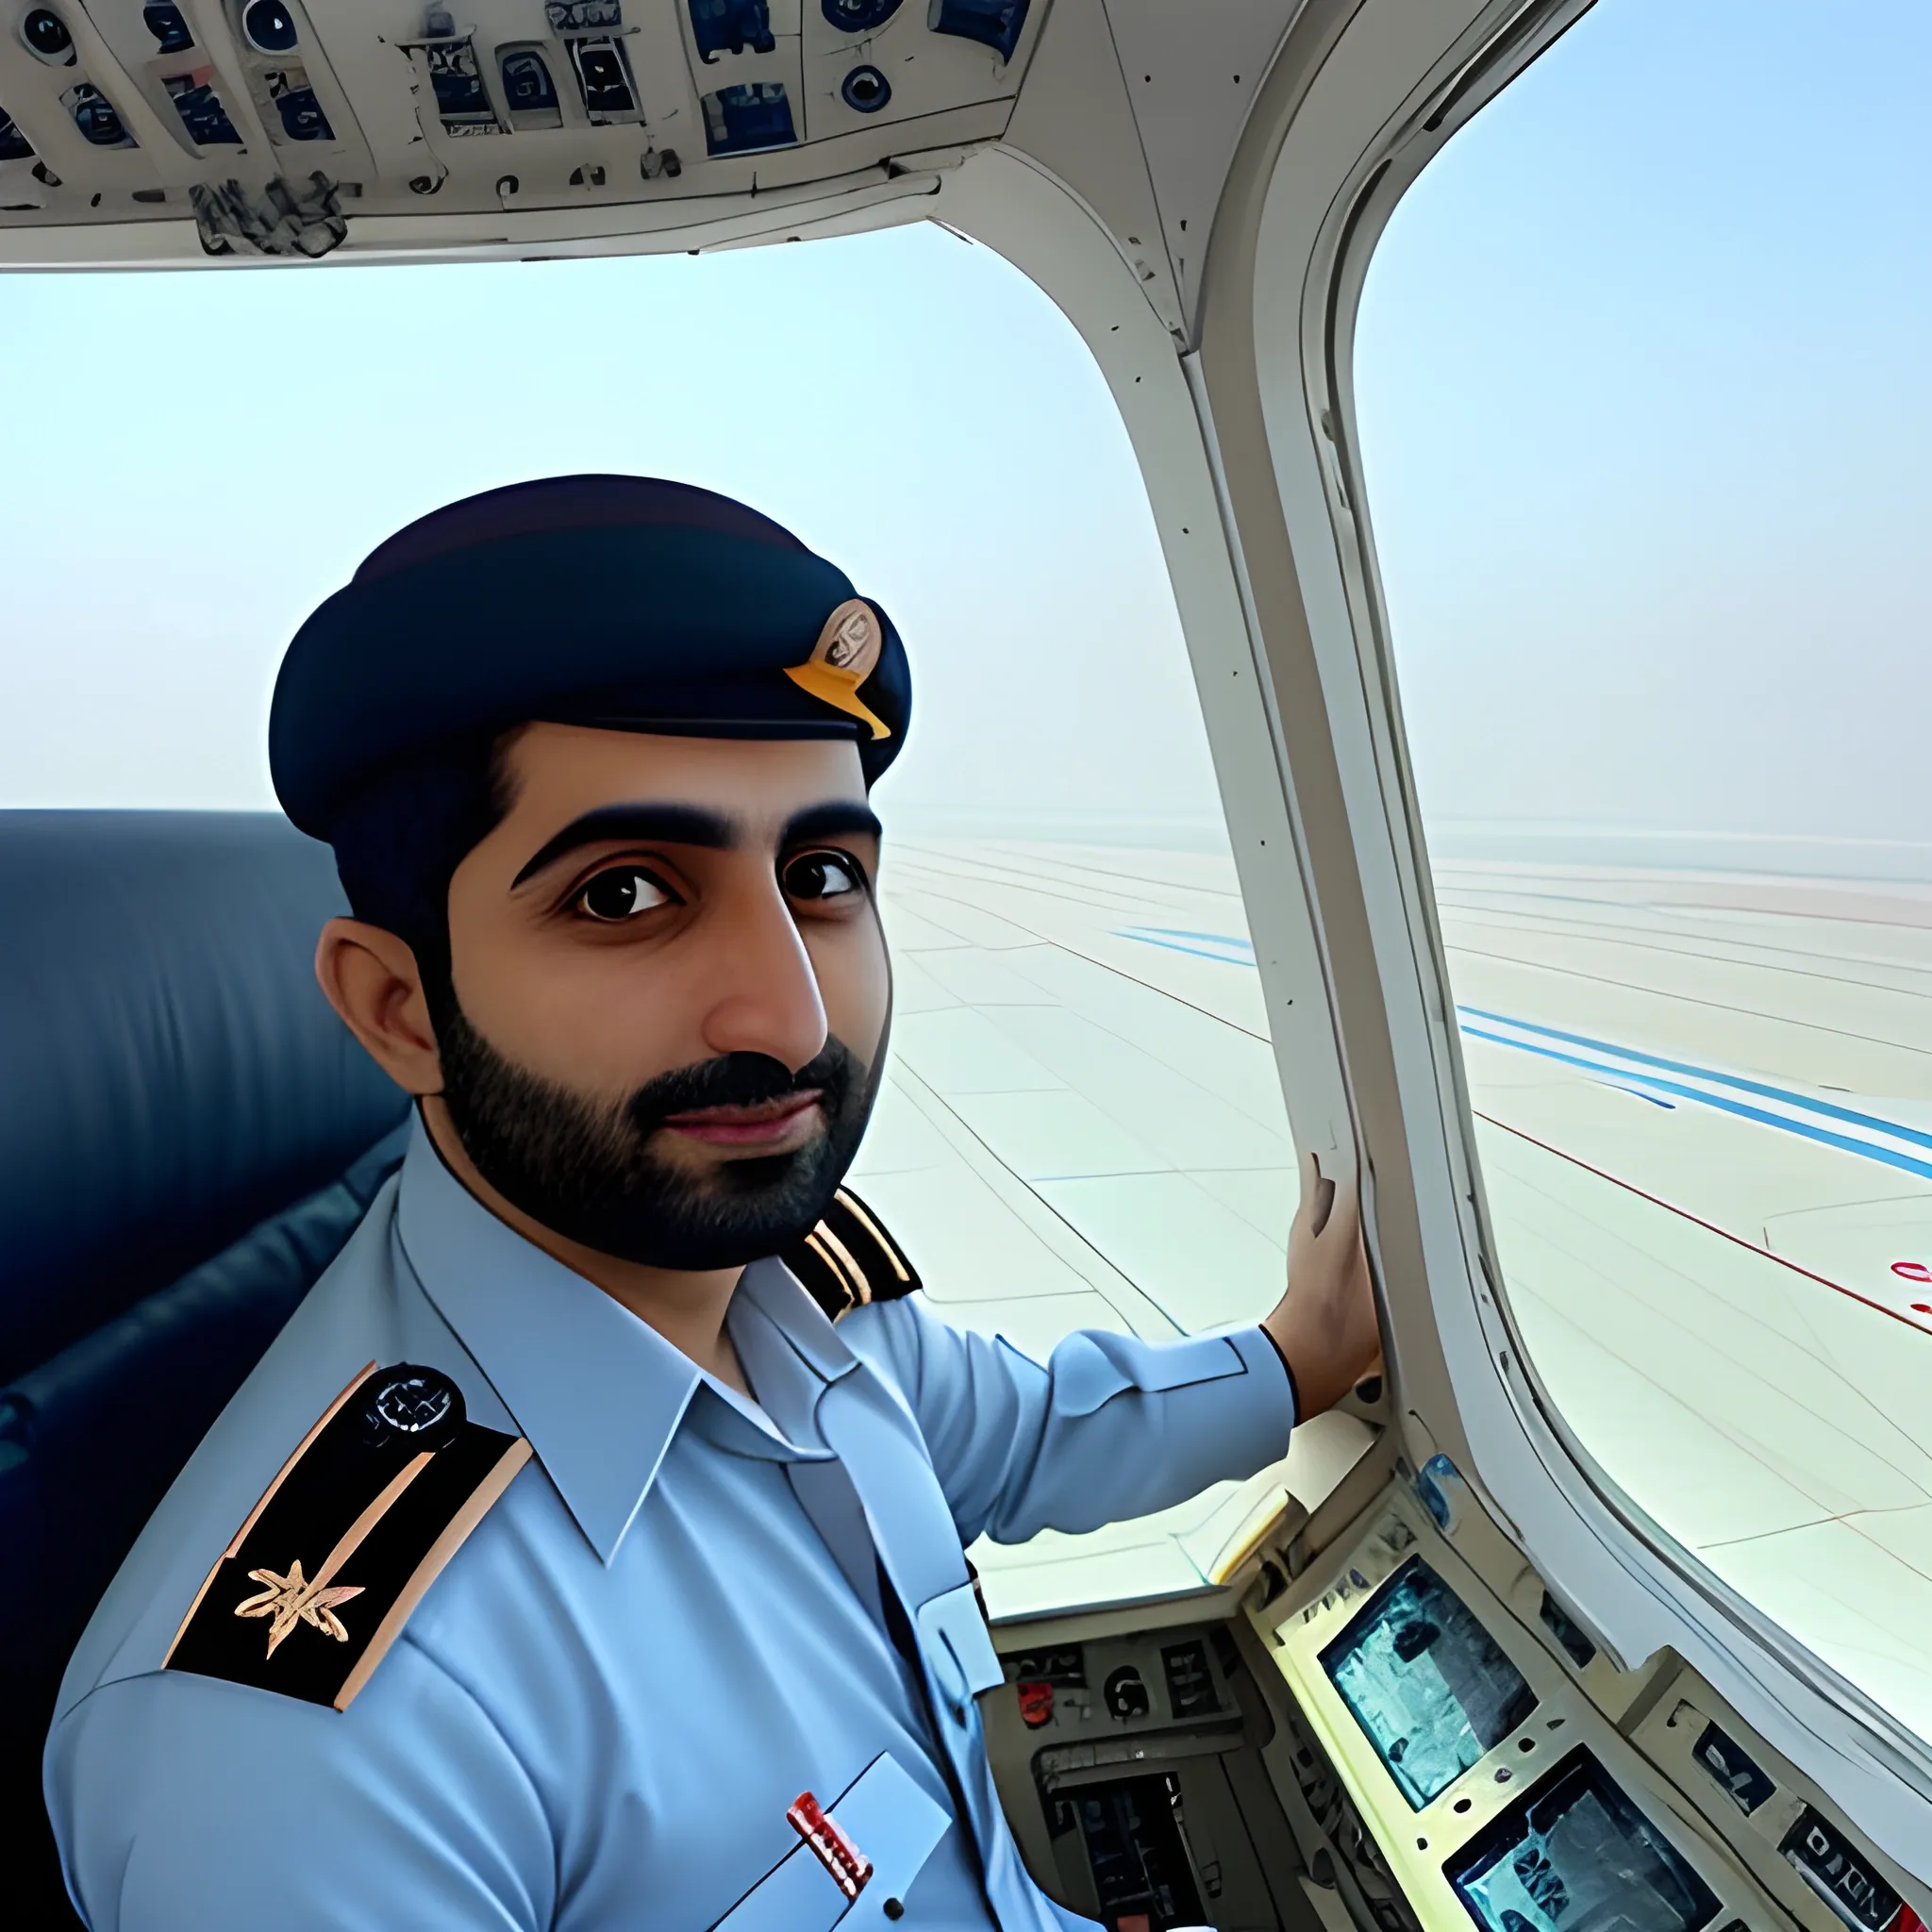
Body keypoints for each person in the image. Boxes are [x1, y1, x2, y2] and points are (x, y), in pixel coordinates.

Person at [44, 475, 1380, 1930]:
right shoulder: (295, 1753)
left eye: (820, 876)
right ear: (398, 1009)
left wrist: (1295, 1359)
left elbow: (1018, 1433)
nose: (791, 1016)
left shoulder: (786, 1301)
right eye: (626, 895)